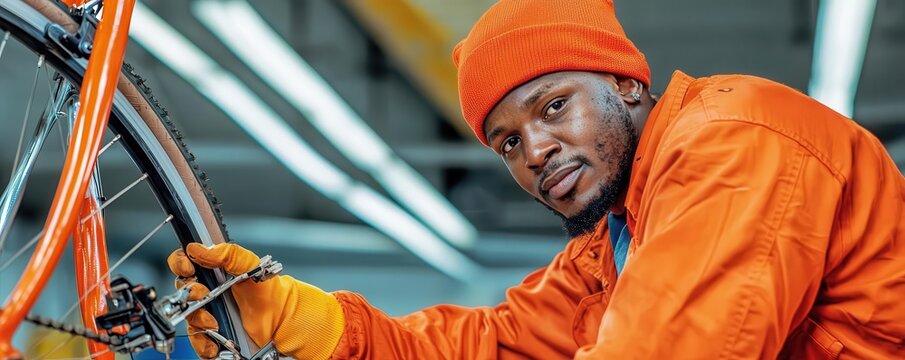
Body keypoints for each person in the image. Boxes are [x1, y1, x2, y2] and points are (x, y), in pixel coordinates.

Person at [168, 0, 905, 358]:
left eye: (554, 107)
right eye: (507, 142)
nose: (536, 151)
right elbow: (496, 344)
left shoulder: (733, 142)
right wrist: (322, 325)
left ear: (625, 85)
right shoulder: (615, 241)